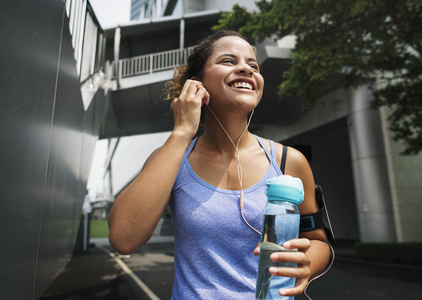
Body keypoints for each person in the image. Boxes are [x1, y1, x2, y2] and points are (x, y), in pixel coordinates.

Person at [108, 30, 331, 299]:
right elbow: (123, 238)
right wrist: (181, 133)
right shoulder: (173, 158)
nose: (245, 69)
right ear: (196, 84)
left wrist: (306, 266)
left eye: (253, 65)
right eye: (228, 61)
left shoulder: (289, 161)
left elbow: (320, 242)